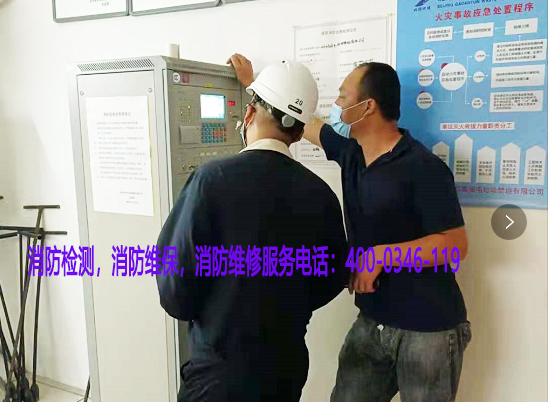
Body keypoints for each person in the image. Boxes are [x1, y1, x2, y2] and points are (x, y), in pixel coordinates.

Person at [231, 55, 471, 402]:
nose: (337, 104)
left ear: (367, 106)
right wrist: (255, 85)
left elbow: (455, 244)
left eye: (343, 96)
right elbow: (301, 121)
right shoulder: (351, 154)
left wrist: (379, 257)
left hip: (428, 327)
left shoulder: (422, 167)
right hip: (373, 319)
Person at [156, 58, 349, 402]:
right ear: (298, 132)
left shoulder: (211, 180)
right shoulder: (320, 194)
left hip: (219, 373)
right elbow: (333, 274)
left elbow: (174, 286)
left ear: (248, 114)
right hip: (285, 368)